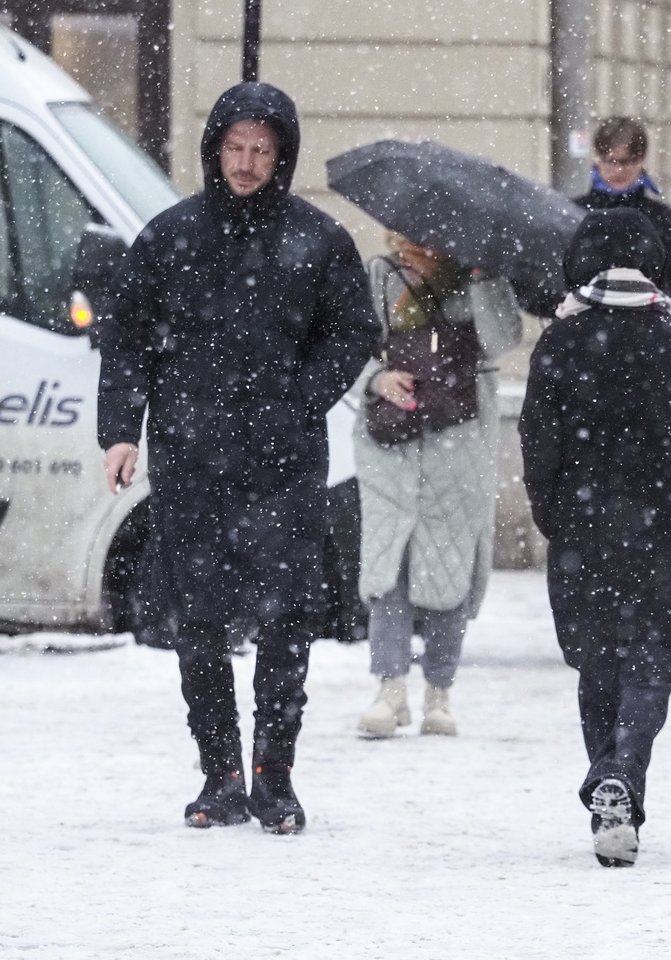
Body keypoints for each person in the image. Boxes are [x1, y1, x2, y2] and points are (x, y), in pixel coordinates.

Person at [97, 82, 376, 833]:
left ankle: (273, 777)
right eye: (235, 148)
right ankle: (218, 773)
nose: (246, 164)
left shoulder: (318, 240)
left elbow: (354, 330)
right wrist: (120, 431)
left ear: (281, 156)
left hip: (284, 462)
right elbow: (125, 337)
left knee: (289, 620)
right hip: (190, 457)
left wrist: (300, 396)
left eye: (262, 150)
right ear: (214, 148)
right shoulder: (171, 238)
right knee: (200, 621)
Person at [519, 209, 671, 868]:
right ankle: (623, 775)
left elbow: (538, 440)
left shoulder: (561, 343)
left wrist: (552, 513)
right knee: (652, 661)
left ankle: (611, 774)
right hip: (659, 527)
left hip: (581, 530)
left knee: (597, 661)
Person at [353, 235, 517, 738]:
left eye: (422, 240)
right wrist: (377, 379)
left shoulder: (477, 279)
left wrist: (477, 282)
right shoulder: (379, 276)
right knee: (389, 566)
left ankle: (439, 693)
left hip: (458, 441)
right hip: (389, 440)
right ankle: (390, 689)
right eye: (404, 236)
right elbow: (348, 342)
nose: (409, 247)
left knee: (448, 568)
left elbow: (502, 341)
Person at [574, 116, 671, 336]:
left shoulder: (670, 223)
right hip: (587, 338)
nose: (620, 170)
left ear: (641, 160)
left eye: (628, 161)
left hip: (653, 339)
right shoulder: (574, 216)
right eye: (611, 161)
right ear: (597, 159)